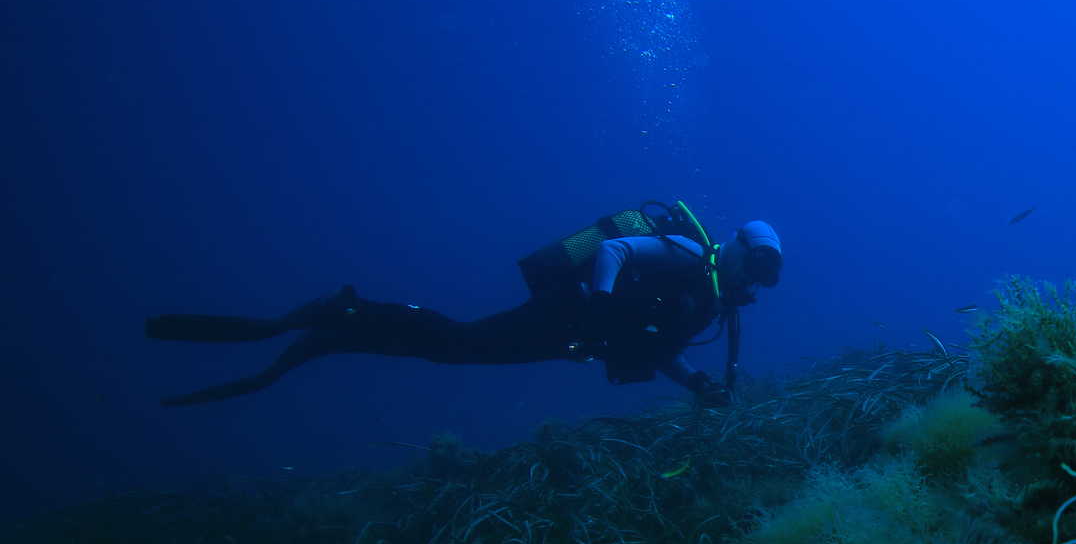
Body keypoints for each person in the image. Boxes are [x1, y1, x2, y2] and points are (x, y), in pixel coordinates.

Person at [146, 206, 783, 408]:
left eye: (764, 276)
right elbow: (615, 247)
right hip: (565, 319)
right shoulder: (684, 252)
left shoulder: (707, 299)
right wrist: (601, 305)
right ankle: (339, 314)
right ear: (737, 248)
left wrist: (696, 381)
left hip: (569, 337)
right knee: (456, 342)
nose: (752, 280)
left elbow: (661, 347)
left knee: (452, 350)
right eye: (753, 263)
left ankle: (338, 327)